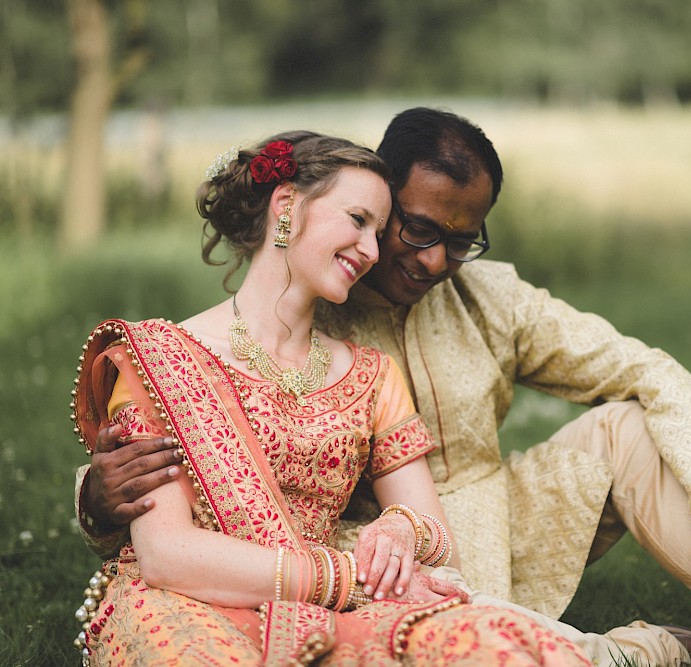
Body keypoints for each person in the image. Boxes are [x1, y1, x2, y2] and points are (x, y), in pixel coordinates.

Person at [77, 110, 691, 667]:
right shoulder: (316, 298)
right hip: (369, 561)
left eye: (463, 238)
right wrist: (95, 496)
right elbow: (183, 422)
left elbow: (646, 367)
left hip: (496, 524)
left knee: (627, 422)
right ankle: (647, 651)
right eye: (414, 230)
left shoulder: (490, 297)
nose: (433, 261)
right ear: (378, 206)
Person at [69, 131, 591, 666]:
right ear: (287, 205)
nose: (371, 251)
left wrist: (401, 528)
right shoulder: (157, 358)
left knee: (493, 649)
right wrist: (345, 577)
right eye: (358, 220)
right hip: (185, 605)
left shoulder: (372, 375)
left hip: (325, 611)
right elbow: (166, 555)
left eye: (381, 232)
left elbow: (441, 546)